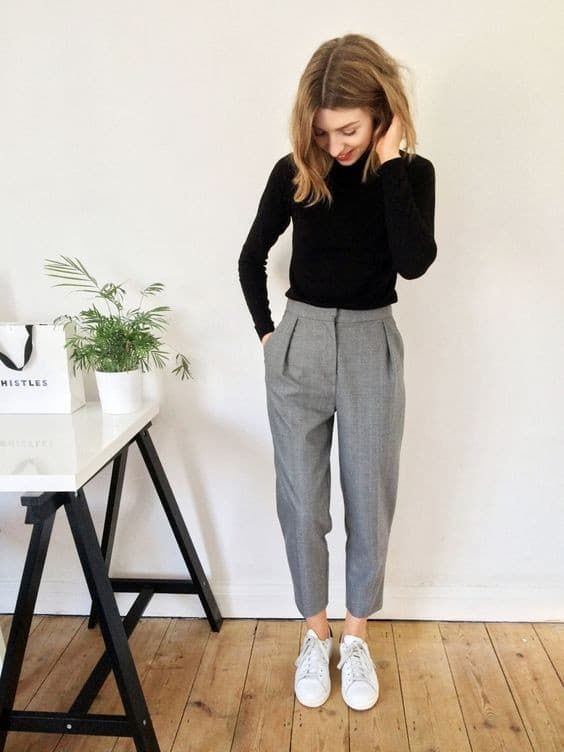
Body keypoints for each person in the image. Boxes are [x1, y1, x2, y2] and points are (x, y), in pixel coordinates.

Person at [237, 33, 437, 711]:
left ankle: (355, 637)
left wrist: (390, 162)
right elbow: (251, 258)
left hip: (372, 340)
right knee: (301, 501)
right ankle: (313, 633)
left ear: (383, 112)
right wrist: (270, 337)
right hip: (300, 342)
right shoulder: (296, 170)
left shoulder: (412, 175)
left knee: (370, 496)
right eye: (324, 131)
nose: (336, 144)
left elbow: (413, 262)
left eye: (350, 129)